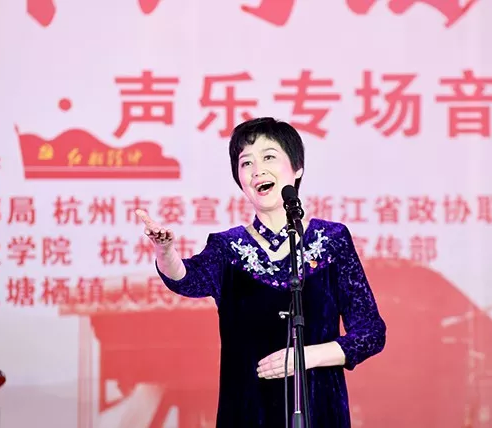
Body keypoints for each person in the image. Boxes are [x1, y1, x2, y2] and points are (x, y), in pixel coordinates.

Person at [135, 117, 386, 427]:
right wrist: (165, 251)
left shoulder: (331, 240)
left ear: (297, 169)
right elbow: (186, 279)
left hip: (320, 408)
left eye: (269, 157)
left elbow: (370, 332)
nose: (257, 170)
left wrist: (307, 357)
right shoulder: (228, 247)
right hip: (248, 410)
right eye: (246, 163)